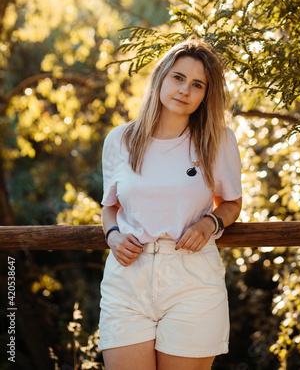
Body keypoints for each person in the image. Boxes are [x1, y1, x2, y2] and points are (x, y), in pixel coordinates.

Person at [98, 38, 242, 370]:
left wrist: (210, 223)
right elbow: (110, 207)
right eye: (178, 77)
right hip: (128, 279)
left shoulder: (218, 140)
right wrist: (114, 237)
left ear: (206, 94)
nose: (185, 90)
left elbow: (232, 203)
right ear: (161, 77)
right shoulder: (121, 139)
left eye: (197, 84)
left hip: (192, 276)